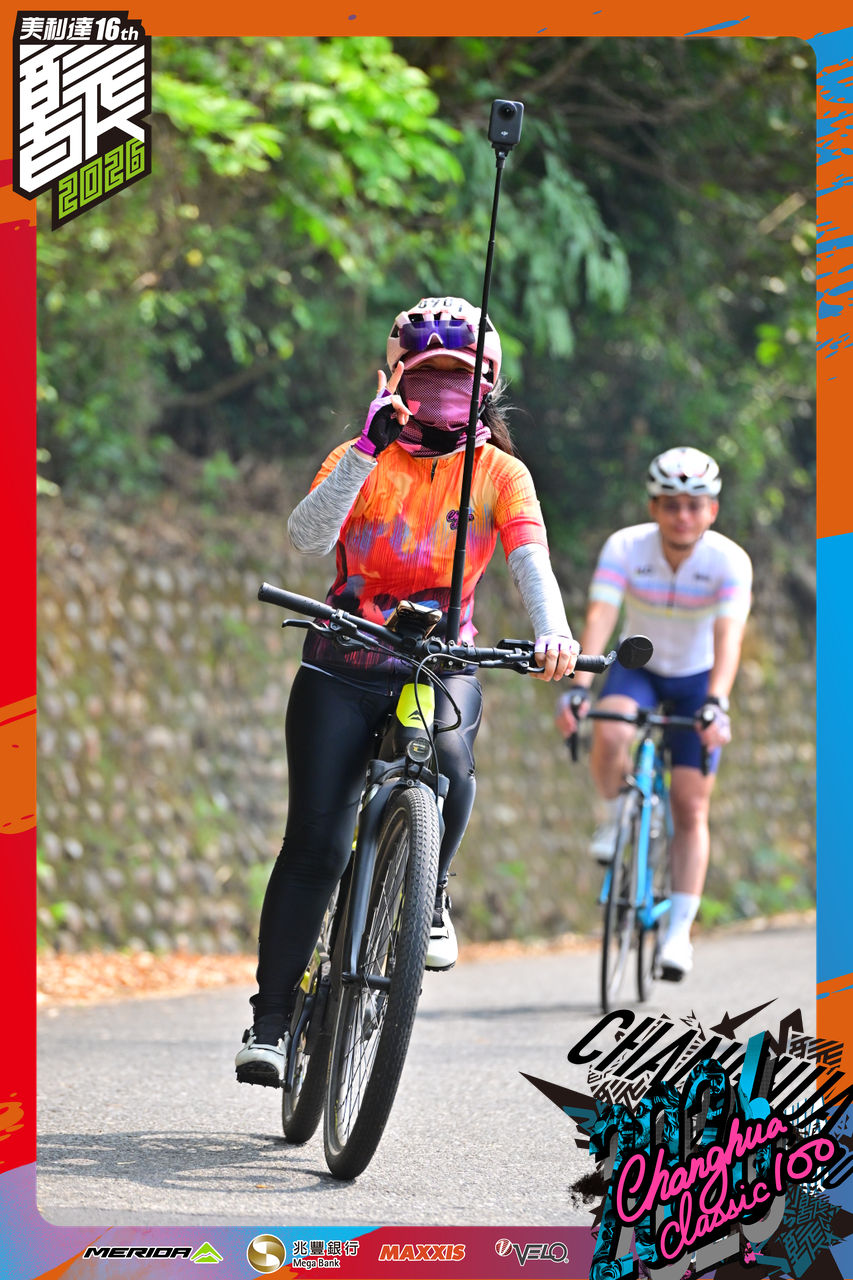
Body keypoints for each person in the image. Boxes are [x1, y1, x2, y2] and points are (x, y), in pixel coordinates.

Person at [237, 295, 580, 1086]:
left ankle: (430, 891)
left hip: (436, 666)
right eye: (424, 376)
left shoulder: (499, 472)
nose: (441, 392)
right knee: (315, 845)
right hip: (341, 664)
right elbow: (307, 538)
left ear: (487, 387)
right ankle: (272, 1022)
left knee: (450, 763)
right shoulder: (358, 456)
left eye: (459, 378)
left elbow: (529, 557)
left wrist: (554, 632)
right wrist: (366, 448)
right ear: (390, 378)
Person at [555, 446, 752, 982]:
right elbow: (601, 615)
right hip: (637, 668)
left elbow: (729, 636)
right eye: (671, 504)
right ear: (653, 506)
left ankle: (678, 932)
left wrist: (717, 702)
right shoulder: (625, 546)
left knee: (691, 804)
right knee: (610, 725)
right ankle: (615, 814)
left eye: (694, 505)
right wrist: (580, 688)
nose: (682, 515)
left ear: (712, 510)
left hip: (696, 679)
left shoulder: (729, 560)